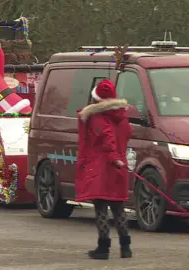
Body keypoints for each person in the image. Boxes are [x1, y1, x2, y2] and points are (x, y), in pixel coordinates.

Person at [75, 79, 133, 260]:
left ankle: (103, 248)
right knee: (118, 206)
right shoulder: (121, 116)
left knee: (100, 207)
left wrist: (113, 158)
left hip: (102, 166)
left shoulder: (97, 117)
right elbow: (126, 135)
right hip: (119, 165)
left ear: (96, 98)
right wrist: (119, 158)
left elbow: (105, 138)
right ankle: (126, 247)